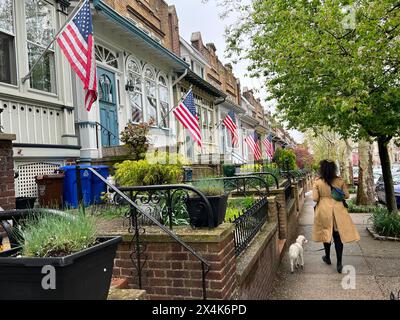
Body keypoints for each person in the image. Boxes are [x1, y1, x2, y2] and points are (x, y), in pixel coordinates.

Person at [312, 160, 360, 273]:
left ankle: (327, 257)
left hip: (324, 211)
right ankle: (339, 263)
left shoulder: (318, 182)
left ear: (322, 169)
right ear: (334, 169)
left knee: (326, 233)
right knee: (338, 237)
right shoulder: (339, 181)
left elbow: (315, 198)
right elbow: (347, 196)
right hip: (338, 211)